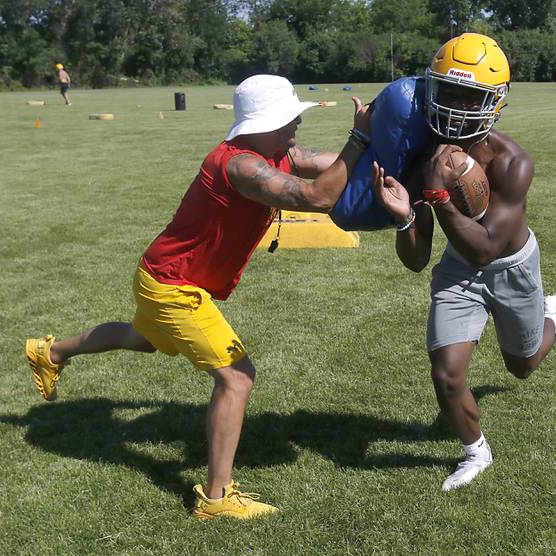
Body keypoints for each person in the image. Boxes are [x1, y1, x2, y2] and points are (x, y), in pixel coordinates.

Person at [25, 74, 371, 520]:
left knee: (139, 337)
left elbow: (316, 162)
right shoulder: (241, 166)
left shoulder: (276, 152)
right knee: (237, 377)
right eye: (288, 119)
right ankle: (216, 497)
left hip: (161, 275)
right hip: (174, 287)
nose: (295, 127)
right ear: (260, 124)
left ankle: (48, 352)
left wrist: (377, 156)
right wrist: (360, 138)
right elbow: (317, 196)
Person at [371, 33, 556, 492]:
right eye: (449, 92)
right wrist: (405, 219)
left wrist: (438, 196)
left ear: (494, 102)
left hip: (512, 266)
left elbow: (486, 248)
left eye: (471, 96)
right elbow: (418, 259)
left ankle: (551, 316)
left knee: (520, 367)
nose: (457, 106)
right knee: (446, 373)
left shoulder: (512, 161)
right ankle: (476, 451)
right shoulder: (425, 150)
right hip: (458, 269)